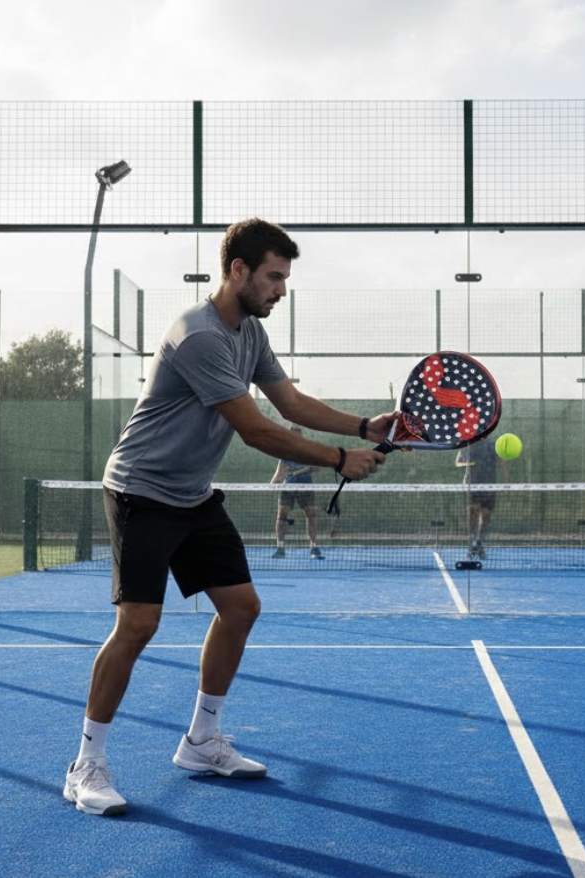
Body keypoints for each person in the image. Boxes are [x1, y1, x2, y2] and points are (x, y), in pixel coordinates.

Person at [64, 218, 398, 816]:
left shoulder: (248, 333)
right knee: (138, 625)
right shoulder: (199, 335)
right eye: (274, 276)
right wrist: (340, 459)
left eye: (285, 278)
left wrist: (362, 427)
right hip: (141, 491)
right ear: (238, 270)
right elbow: (256, 429)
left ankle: (201, 742)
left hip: (191, 494)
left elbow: (289, 402)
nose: (282, 290)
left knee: (241, 608)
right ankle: (86, 765)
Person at [271, 426, 323, 559]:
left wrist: (309, 468)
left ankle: (313, 547)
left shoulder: (308, 451)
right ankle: (280, 547)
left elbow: (317, 468)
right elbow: (279, 474)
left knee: (311, 515)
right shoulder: (284, 454)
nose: (297, 438)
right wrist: (271, 485)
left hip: (305, 487)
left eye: (299, 435)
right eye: (294, 435)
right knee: (282, 516)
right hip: (287, 488)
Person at [455, 437, 509, 560]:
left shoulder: (494, 445)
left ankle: (479, 542)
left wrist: (506, 483)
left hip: (489, 486)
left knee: (486, 516)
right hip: (471, 485)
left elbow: (503, 463)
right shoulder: (466, 445)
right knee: (473, 514)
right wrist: (469, 464)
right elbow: (458, 462)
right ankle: (471, 543)